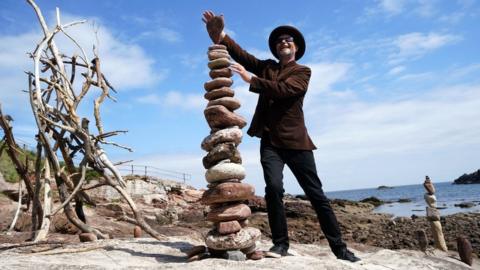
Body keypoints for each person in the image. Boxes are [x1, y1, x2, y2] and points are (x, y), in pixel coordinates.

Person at [202, 11, 360, 262]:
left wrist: (251, 80)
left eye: (288, 40)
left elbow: (286, 91)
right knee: (273, 189)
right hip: (270, 141)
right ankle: (280, 244)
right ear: (276, 49)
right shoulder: (267, 67)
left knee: (316, 195)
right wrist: (221, 36)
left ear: (296, 47)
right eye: (279, 41)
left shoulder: (303, 72)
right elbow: (244, 56)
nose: (283, 42)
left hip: (297, 142)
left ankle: (340, 249)